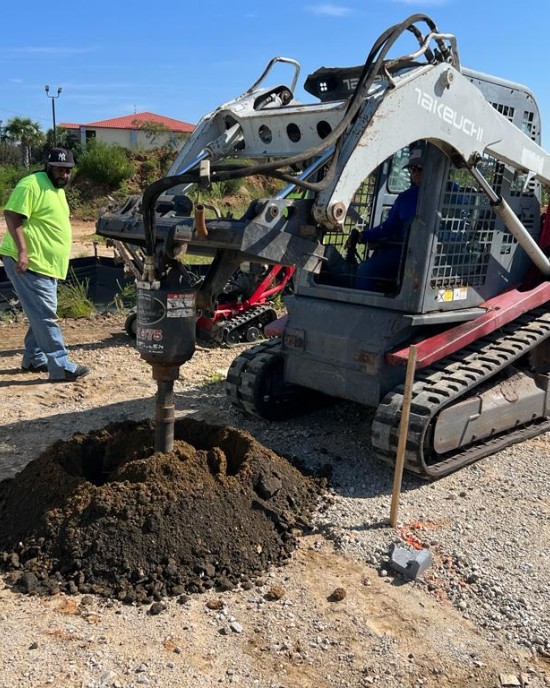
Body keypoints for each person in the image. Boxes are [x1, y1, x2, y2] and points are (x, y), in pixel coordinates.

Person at [0, 147, 90, 382]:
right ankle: (60, 366)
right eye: (60, 169)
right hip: (29, 263)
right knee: (45, 315)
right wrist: (22, 251)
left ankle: (33, 358)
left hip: (46, 265)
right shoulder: (32, 184)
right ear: (48, 166)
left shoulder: (56, 189)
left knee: (39, 313)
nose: (65, 175)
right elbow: (12, 215)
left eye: (68, 170)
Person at [354, 148, 424, 291]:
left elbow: (389, 228)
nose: (415, 173)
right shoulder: (406, 198)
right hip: (413, 254)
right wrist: (365, 235)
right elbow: (390, 226)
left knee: (365, 272)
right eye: (412, 169)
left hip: (417, 255)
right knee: (369, 266)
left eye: (419, 168)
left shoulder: (408, 198)